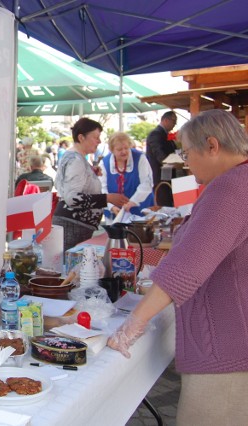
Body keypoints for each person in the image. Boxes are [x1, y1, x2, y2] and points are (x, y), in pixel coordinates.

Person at [108, 109, 248, 425]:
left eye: (187, 153)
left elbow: (187, 266)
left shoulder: (231, 187)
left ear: (212, 145)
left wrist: (134, 322)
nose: (185, 162)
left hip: (228, 353)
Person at [52, 118, 128, 252]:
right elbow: (72, 198)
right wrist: (107, 198)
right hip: (73, 227)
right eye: (95, 137)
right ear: (81, 138)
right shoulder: (75, 160)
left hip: (73, 226)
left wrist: (90, 173)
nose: (99, 141)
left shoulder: (73, 157)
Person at [98, 132, 154, 218]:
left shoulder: (140, 158)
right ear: (112, 150)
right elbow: (101, 188)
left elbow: (146, 183)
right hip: (114, 212)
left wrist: (132, 202)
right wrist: (111, 207)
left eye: (126, 148)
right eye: (119, 149)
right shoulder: (105, 163)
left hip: (140, 209)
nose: (124, 152)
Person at [146, 110, 177, 188]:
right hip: (159, 175)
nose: (175, 124)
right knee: (162, 197)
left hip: (167, 173)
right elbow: (159, 154)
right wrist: (173, 163)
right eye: (174, 121)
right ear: (166, 120)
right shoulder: (156, 134)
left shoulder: (165, 134)